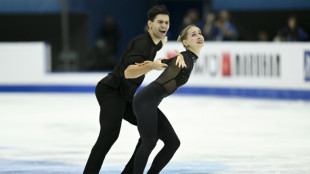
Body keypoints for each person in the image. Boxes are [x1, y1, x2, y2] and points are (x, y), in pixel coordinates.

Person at [83, 5, 186, 174]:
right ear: (149, 24)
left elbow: (161, 41)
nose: (164, 26)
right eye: (160, 22)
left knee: (149, 130)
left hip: (128, 96)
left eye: (166, 22)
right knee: (109, 135)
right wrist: (152, 65)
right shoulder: (141, 44)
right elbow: (128, 72)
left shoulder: (156, 42)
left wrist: (163, 41)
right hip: (112, 91)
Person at [132, 25, 204, 174]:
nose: (198, 36)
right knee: (149, 142)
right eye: (193, 34)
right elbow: (180, 60)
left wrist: (153, 63)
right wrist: (179, 59)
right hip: (145, 100)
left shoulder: (189, 57)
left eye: (199, 33)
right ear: (185, 42)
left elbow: (165, 62)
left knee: (172, 143)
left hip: (149, 101)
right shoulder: (185, 57)